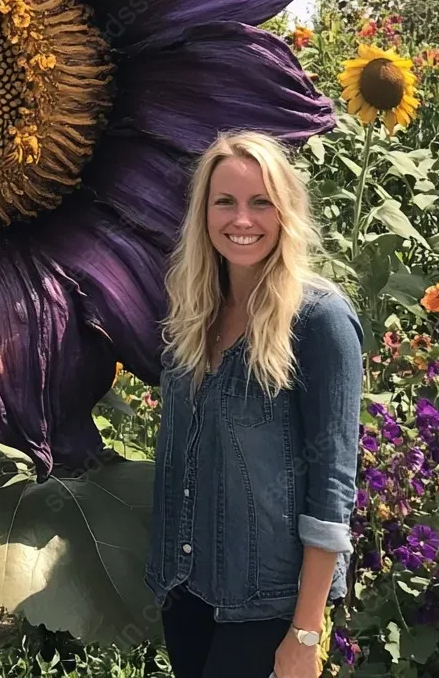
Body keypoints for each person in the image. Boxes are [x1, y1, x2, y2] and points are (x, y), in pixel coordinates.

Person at [143, 130, 364, 678]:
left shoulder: (318, 321)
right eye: (226, 202)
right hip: (187, 587)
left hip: (266, 603)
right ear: (204, 213)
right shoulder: (194, 313)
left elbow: (333, 486)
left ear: (285, 210)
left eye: (260, 201)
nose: (242, 220)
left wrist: (306, 633)